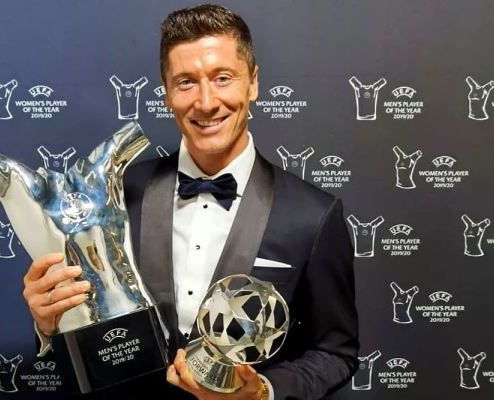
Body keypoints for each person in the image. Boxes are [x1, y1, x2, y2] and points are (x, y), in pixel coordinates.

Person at [22, 4, 359, 399]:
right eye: (186, 82)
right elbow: (88, 324)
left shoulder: (313, 215)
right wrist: (49, 323)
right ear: (166, 93)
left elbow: (335, 353)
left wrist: (263, 392)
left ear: (253, 83)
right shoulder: (116, 195)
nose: (206, 102)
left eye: (223, 78)